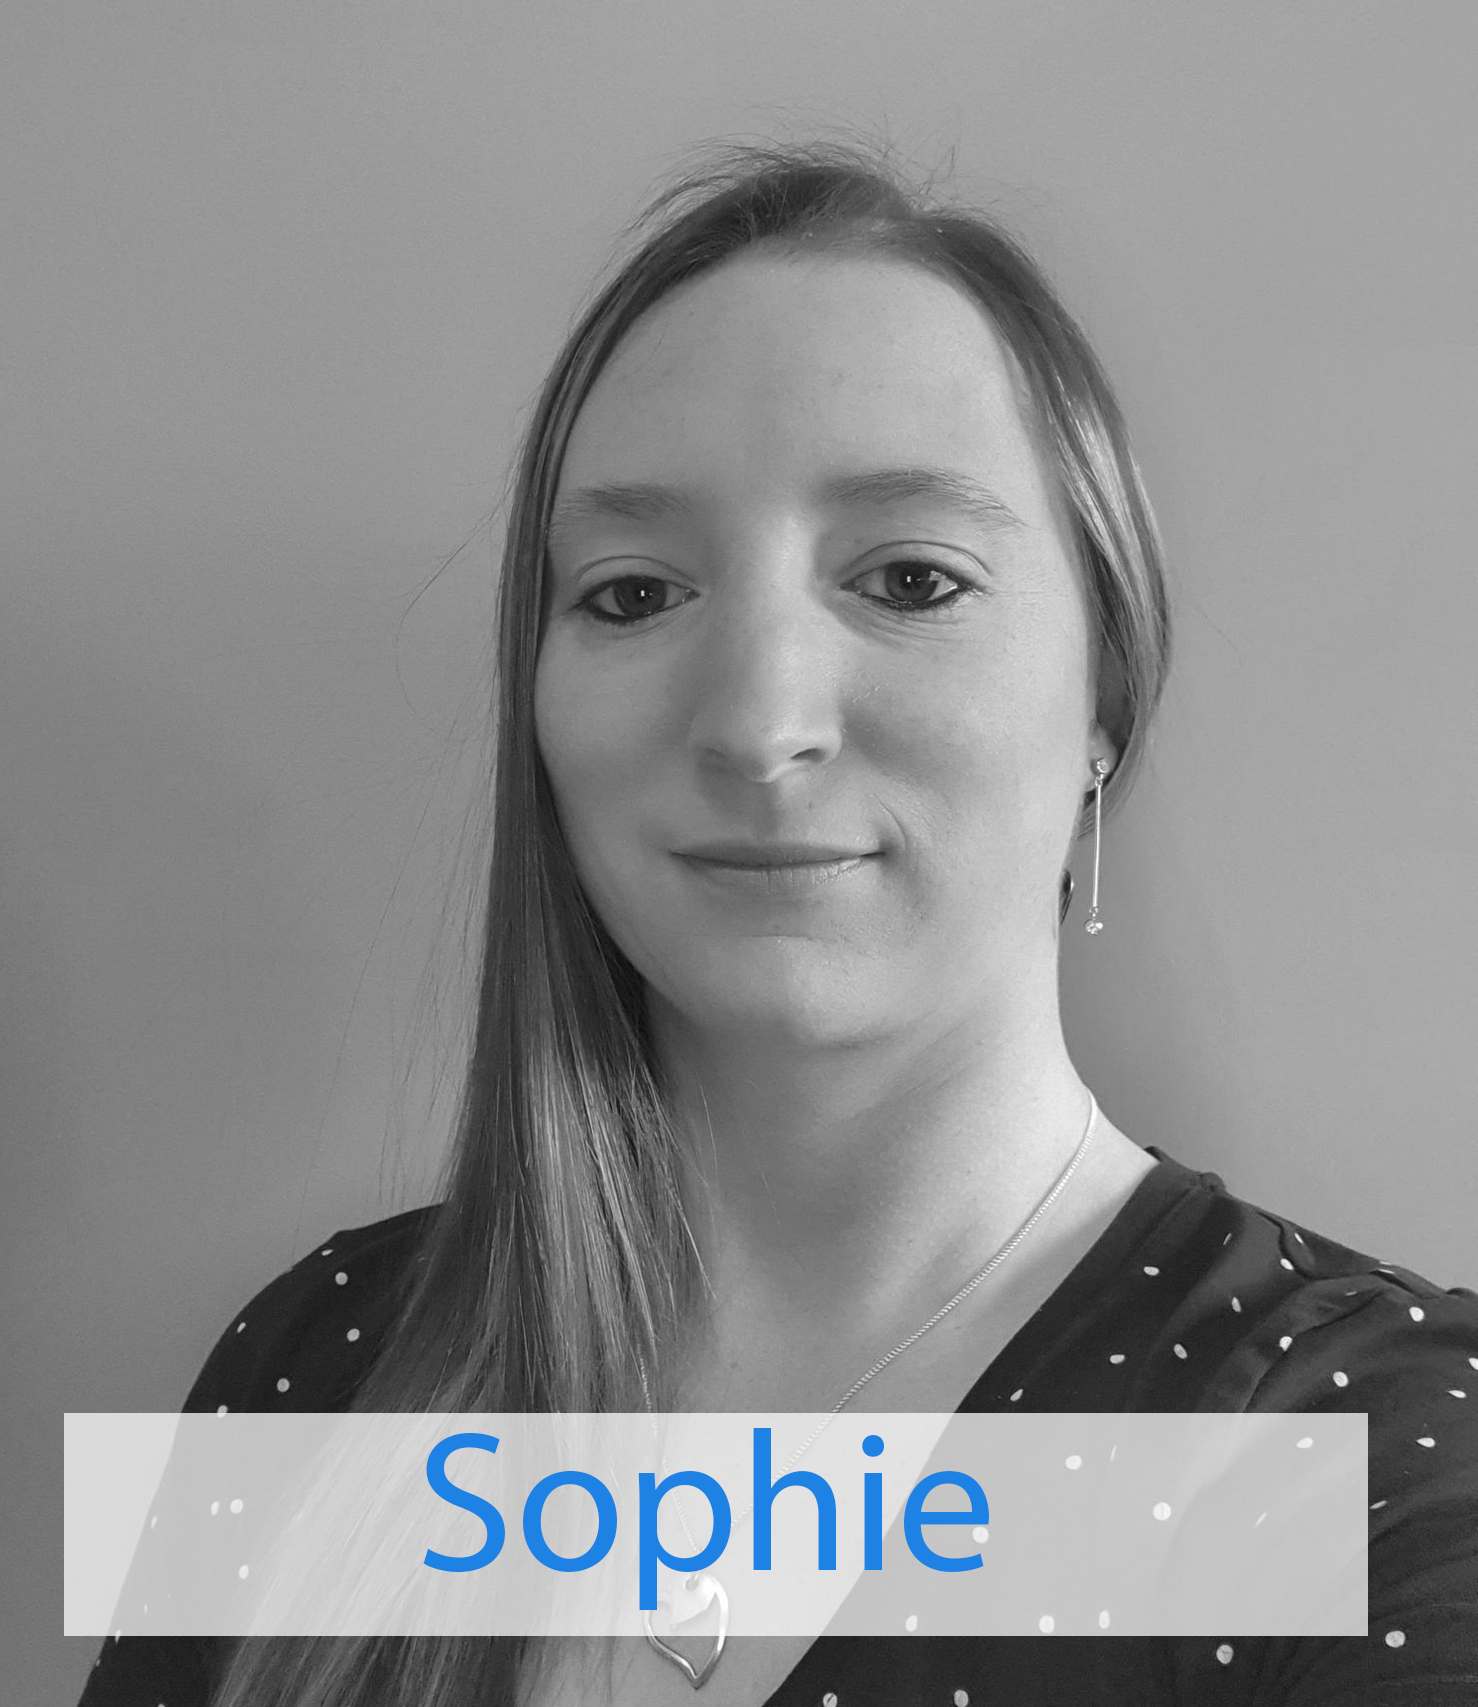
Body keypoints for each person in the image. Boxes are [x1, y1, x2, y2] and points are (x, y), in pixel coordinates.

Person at [80, 143, 1478, 1707]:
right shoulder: (318, 1373)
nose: (757, 724)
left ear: (1105, 698)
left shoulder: (1366, 1453)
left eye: (910, 578)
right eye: (633, 593)